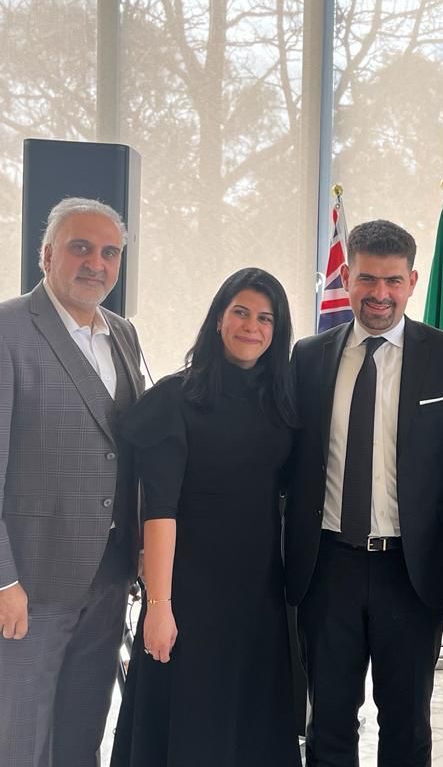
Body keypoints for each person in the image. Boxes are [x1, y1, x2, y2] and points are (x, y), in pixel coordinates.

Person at [285, 219, 443, 766]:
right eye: (368, 279)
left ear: (413, 281)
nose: (380, 294)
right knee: (328, 719)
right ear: (346, 278)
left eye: (393, 280)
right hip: (327, 568)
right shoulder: (308, 357)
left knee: (406, 721)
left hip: (411, 572)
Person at [110, 268, 300, 767]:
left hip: (258, 595)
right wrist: (159, 605)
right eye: (241, 312)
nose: (252, 326)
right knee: (191, 723)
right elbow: (160, 509)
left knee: (250, 725)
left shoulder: (281, 402)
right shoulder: (176, 399)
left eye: (265, 318)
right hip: (188, 595)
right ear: (219, 318)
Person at [0, 197, 144, 767]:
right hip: (30, 586)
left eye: (110, 253)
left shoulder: (123, 334)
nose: (96, 263)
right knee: (20, 740)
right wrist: (3, 581)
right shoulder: (8, 330)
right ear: (46, 255)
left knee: (83, 734)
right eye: (80, 247)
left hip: (109, 579)